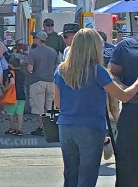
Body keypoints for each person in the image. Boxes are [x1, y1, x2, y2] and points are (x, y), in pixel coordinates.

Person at [56, 28, 138, 187]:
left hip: (66, 126)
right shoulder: (97, 70)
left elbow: (58, 103)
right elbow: (124, 96)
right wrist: (136, 84)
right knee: (87, 174)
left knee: (71, 173)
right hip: (91, 126)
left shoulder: (61, 70)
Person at [108, 29, 138, 186]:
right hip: (133, 111)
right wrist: (125, 90)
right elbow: (112, 73)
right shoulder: (126, 46)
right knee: (128, 162)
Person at [27, 30, 59, 136]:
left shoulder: (33, 52)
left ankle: (42, 127)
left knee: (38, 107)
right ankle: (49, 127)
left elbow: (30, 68)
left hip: (37, 82)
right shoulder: (53, 51)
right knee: (48, 106)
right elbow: (57, 66)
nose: (33, 39)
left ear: (38, 39)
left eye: (34, 38)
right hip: (50, 82)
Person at [98, 31, 120, 124]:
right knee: (114, 106)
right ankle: (120, 125)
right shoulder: (113, 48)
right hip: (112, 79)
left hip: (98, 79)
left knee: (102, 106)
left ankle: (106, 126)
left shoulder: (94, 49)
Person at [4, 57, 27, 136]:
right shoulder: (22, 73)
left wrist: (5, 89)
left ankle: (13, 127)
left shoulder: (11, 73)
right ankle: (20, 128)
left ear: (10, 65)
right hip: (22, 95)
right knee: (20, 113)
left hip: (13, 95)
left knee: (11, 113)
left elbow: (12, 83)